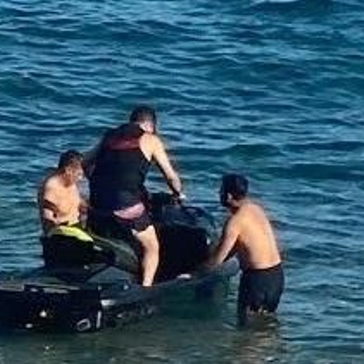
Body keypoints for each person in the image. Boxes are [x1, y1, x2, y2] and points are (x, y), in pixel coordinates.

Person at [84, 104, 185, 287]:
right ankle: (145, 289)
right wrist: (178, 193)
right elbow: (170, 176)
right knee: (152, 247)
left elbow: (85, 162)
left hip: (97, 203)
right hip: (126, 206)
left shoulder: (109, 136)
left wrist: (98, 183)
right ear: (151, 125)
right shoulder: (151, 140)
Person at [200, 174, 284, 327]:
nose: (219, 194)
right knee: (266, 325)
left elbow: (218, 258)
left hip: (256, 280)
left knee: (246, 328)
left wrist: (197, 273)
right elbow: (237, 247)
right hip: (276, 276)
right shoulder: (256, 209)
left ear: (228, 195)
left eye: (221, 191)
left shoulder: (235, 222)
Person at [37, 150, 86, 232]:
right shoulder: (52, 187)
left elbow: (76, 204)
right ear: (68, 170)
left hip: (76, 227)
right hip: (61, 233)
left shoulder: (70, 182)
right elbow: (47, 216)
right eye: (79, 174)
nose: (80, 178)